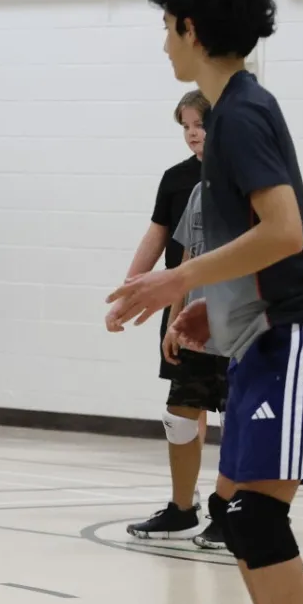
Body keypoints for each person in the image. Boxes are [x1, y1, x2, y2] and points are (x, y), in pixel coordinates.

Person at [108, 0, 303, 604]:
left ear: (192, 29)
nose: (164, 43)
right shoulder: (233, 112)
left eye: (167, 28)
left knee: (256, 514)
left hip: (294, 333)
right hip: (261, 334)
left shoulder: (239, 115)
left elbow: (286, 231)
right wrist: (212, 306)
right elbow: (257, 241)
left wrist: (178, 281)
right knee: (238, 514)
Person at [109, 90, 229, 549]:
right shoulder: (186, 185)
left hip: (241, 323)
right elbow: (175, 249)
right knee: (181, 412)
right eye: (186, 126)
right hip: (193, 318)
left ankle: (229, 511)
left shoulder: (254, 182)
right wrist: (142, 298)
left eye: (200, 123)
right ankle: (182, 509)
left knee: (236, 415)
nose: (193, 133)